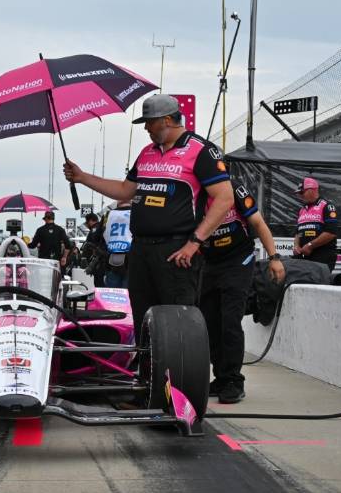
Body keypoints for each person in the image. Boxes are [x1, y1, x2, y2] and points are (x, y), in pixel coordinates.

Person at [63, 93, 235, 345]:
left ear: (167, 120)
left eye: (150, 122)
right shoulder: (147, 153)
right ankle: (145, 367)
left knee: (177, 321)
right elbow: (125, 191)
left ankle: (177, 370)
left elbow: (225, 198)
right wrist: (82, 177)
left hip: (176, 250)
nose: (146, 128)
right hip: (141, 249)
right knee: (143, 319)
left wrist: (195, 242)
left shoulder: (202, 151)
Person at [200, 180, 285, 404]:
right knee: (210, 322)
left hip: (238, 260)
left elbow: (258, 222)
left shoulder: (234, 189)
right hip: (209, 262)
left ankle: (233, 381)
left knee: (230, 320)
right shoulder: (194, 191)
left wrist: (274, 258)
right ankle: (221, 377)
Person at [292, 177, 338, 272]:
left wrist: (310, 245)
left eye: (302, 192)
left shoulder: (327, 206)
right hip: (304, 257)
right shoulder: (302, 210)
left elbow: (331, 232)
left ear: (311, 190)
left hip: (322, 257)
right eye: (299, 193)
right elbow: (298, 232)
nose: (300, 196)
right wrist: (296, 246)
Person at [103, 202, 133, 288]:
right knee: (129, 293)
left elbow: (100, 235)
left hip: (111, 258)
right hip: (132, 257)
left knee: (113, 293)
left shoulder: (108, 214)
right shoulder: (137, 213)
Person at [81, 212, 107, 286]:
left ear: (90, 221)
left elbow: (90, 244)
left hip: (98, 260)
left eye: (87, 222)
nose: (87, 225)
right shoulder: (103, 227)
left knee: (98, 282)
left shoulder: (95, 229)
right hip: (104, 258)